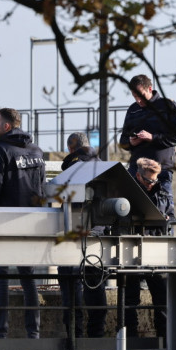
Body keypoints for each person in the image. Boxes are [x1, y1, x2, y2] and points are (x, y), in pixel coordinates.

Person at [0, 108, 45, 338]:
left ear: (7, 126)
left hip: (4, 222)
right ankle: (33, 333)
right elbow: (41, 188)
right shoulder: (37, 151)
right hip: (29, 222)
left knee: (0, 276)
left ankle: (0, 333)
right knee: (28, 277)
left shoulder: (0, 150)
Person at [57, 132, 107, 338]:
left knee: (71, 293)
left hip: (72, 236)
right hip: (97, 238)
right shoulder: (104, 167)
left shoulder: (71, 168)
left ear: (71, 149)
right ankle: (97, 338)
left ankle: (74, 340)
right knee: (96, 290)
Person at [118, 74, 176, 211]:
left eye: (140, 95)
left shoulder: (167, 106)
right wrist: (132, 142)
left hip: (160, 171)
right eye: (134, 96)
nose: (138, 100)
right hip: (136, 170)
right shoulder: (133, 110)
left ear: (150, 89)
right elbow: (123, 141)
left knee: (164, 212)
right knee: (130, 212)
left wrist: (153, 138)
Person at [124, 158, 174, 338]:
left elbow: (171, 215)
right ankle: (130, 338)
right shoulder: (129, 193)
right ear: (138, 176)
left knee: (162, 299)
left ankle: (164, 339)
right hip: (132, 251)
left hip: (155, 251)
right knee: (129, 299)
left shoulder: (162, 191)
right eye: (148, 181)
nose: (152, 184)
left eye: (155, 180)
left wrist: (168, 221)